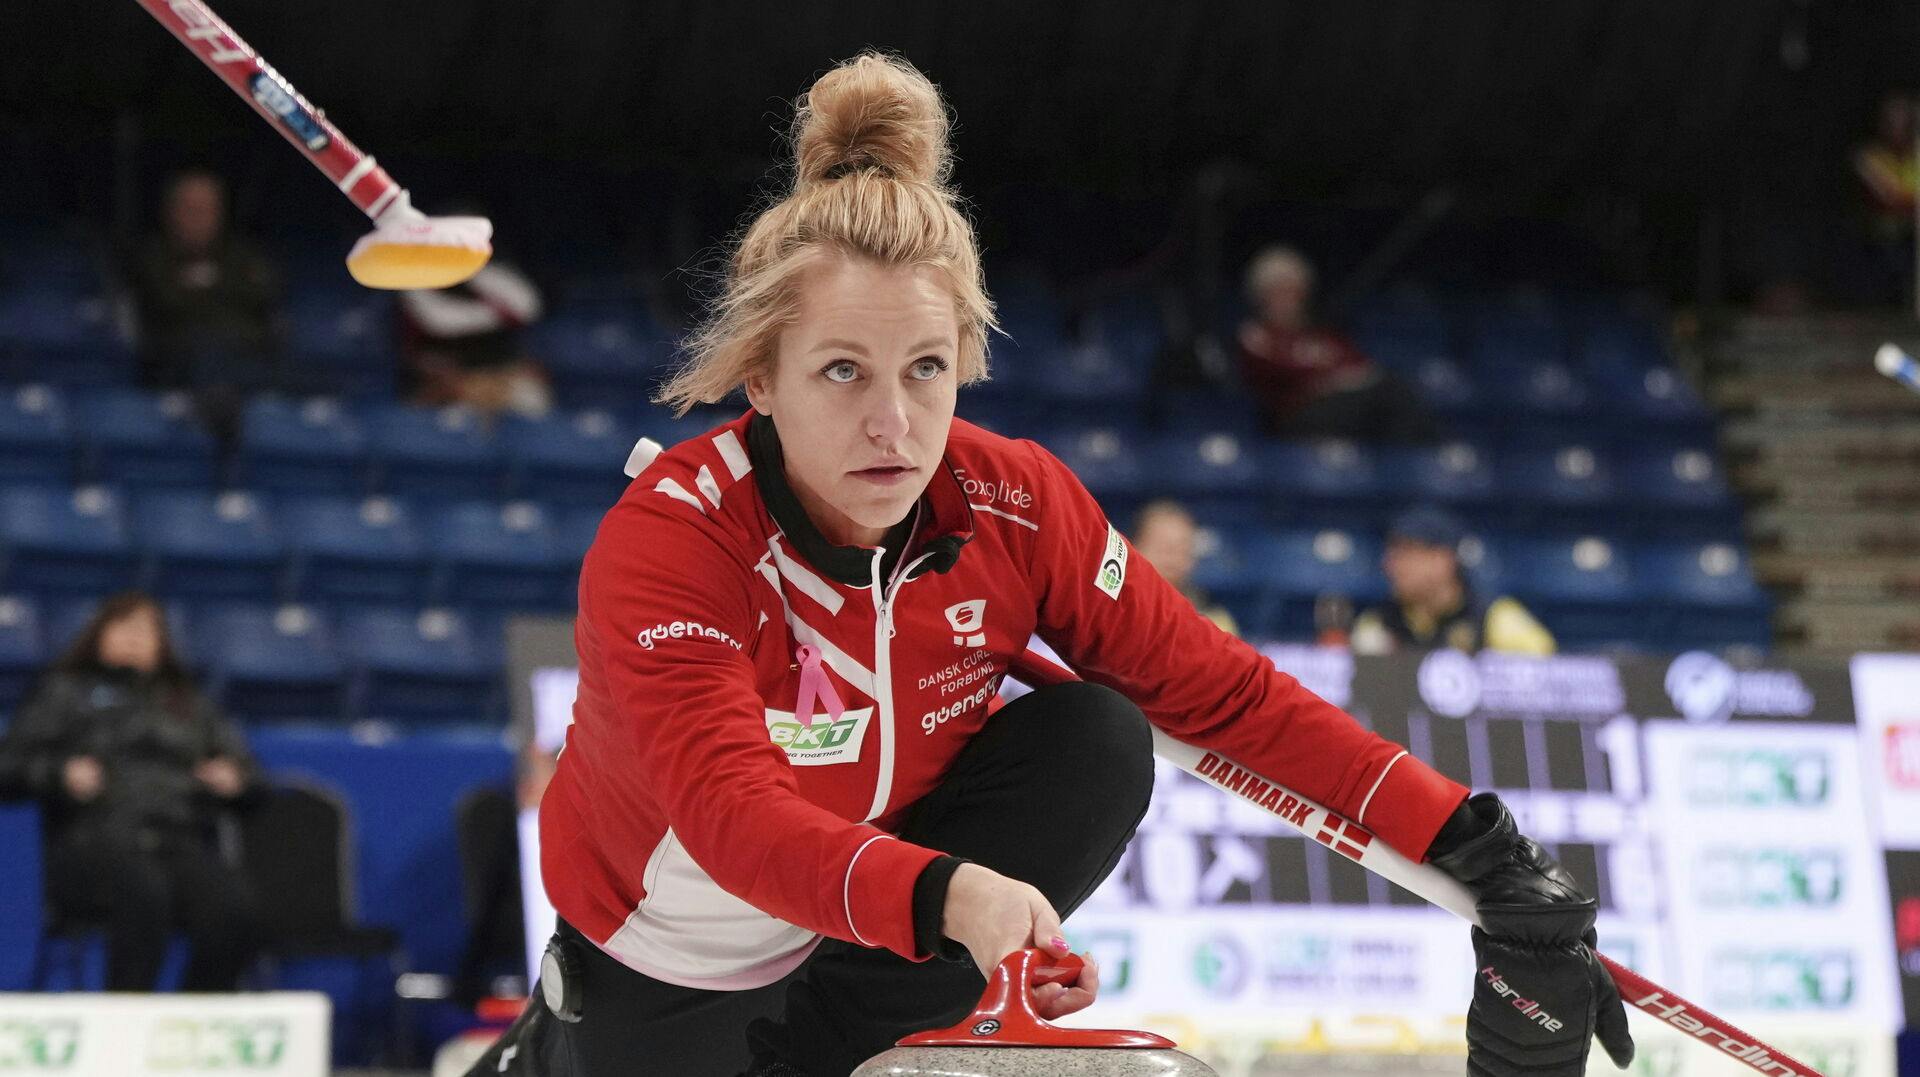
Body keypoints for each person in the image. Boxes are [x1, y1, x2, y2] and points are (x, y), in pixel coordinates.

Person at [469, 54, 1630, 1077]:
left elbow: (1217, 692)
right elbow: (731, 814)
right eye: (840, 372)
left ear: (965, 360)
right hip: (670, 965)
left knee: (1097, 734)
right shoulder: (675, 539)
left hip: (866, 952)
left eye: (924, 367)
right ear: (758, 379)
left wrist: (1479, 851)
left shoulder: (1012, 499)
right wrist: (954, 897)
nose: (892, 424)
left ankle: (836, 1058)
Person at [0, 592, 264, 991]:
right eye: (124, 626)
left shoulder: (188, 702)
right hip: (92, 843)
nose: (135, 638)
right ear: (99, 634)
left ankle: (194, 1025)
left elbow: (252, 781)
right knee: (145, 891)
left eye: (147, 630)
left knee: (235, 908)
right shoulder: (65, 692)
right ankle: (128, 1023)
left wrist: (234, 779)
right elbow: (9, 768)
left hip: (177, 841)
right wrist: (61, 773)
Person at [126, 169, 285, 445]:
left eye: (207, 209)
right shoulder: (152, 259)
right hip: (178, 362)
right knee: (210, 365)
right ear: (171, 212)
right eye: (191, 209)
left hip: (247, 359)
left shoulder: (243, 257)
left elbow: (263, 297)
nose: (199, 218)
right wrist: (221, 293)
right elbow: (168, 304)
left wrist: (205, 291)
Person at [1236, 246, 1439, 442]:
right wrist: (1328, 375)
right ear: (1261, 296)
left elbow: (1361, 366)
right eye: (1279, 291)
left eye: (1294, 291)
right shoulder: (1256, 335)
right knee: (1389, 395)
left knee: (1393, 393)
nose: (1289, 299)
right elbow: (1277, 372)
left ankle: (1424, 463)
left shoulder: (1322, 334)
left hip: (1347, 406)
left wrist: (1331, 375)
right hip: (1299, 415)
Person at [1349, 505, 1556, 656]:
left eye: (1405, 553)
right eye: (1391, 553)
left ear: (1443, 560)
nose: (1389, 564)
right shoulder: (1378, 621)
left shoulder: (1493, 616)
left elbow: (1544, 669)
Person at [398, 226, 554, 418]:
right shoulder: (417, 280)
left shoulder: (490, 274)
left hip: (501, 370)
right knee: (440, 420)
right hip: (446, 375)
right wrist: (461, 383)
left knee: (531, 401)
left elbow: (526, 307)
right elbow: (439, 321)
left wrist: (496, 380)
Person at [1130, 499, 1238, 635]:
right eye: (1161, 547)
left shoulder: (1217, 622)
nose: (1170, 557)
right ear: (1134, 547)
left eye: (1181, 548)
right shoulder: (1114, 612)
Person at [1850, 92, 1916, 307]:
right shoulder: (1868, 157)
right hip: (1882, 241)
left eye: (1904, 123)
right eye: (1891, 122)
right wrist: (1908, 200)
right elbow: (1889, 199)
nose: (1897, 129)